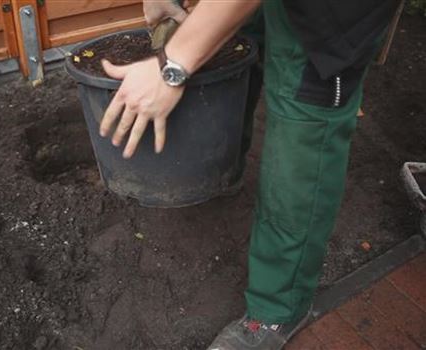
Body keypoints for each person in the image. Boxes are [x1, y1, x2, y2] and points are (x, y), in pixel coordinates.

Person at [98, 1, 398, 349]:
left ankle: (279, 307)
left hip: (332, 14)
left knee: (307, 109)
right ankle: (224, 172)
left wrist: (171, 66)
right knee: (240, 35)